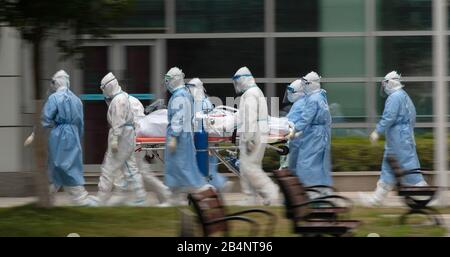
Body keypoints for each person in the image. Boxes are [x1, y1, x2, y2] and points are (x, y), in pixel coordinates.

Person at [360, 71, 427, 207]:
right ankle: (377, 199)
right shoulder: (404, 95)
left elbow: (388, 117)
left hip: (398, 139)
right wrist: (407, 131)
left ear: (390, 83)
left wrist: (377, 131)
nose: (384, 87)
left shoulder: (394, 97)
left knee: (408, 165)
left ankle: (425, 195)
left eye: (385, 84)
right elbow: (412, 115)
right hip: (402, 137)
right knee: (389, 165)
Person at [39, 70, 96, 206]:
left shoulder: (54, 98)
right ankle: (70, 197)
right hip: (73, 135)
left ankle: (76, 198)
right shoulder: (77, 100)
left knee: (57, 165)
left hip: (59, 135)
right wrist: (78, 137)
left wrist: (36, 132)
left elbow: (45, 118)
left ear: (56, 82)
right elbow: (80, 123)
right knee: (70, 165)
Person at [96, 72, 147, 206]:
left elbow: (118, 121)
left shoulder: (118, 100)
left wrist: (115, 139)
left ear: (109, 86)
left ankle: (101, 198)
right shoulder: (122, 97)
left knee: (109, 167)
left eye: (103, 88)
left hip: (121, 136)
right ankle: (140, 197)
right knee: (130, 167)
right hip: (126, 135)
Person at [112, 95, 172, 206]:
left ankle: (140, 196)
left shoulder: (122, 102)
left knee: (137, 170)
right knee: (143, 171)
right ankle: (163, 194)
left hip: (134, 139)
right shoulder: (130, 101)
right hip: (136, 137)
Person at [232, 66, 278, 205]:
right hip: (258, 131)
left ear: (243, 79)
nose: (237, 84)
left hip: (254, 133)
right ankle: (250, 197)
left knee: (249, 167)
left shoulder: (250, 94)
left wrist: (249, 138)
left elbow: (250, 118)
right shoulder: (255, 91)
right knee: (248, 167)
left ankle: (271, 192)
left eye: (238, 81)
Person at [163, 68, 209, 204]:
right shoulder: (184, 94)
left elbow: (178, 118)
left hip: (180, 138)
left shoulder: (179, 96)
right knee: (179, 170)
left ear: (175, 79)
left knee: (183, 169)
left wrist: (173, 137)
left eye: (168, 80)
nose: (166, 83)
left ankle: (204, 193)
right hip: (183, 136)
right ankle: (175, 199)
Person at [288, 71, 332, 194]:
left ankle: (311, 194)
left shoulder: (313, 99)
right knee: (319, 164)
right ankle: (323, 193)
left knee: (306, 163)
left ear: (311, 84)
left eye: (306, 83)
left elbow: (306, 118)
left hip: (314, 134)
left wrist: (295, 130)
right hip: (319, 133)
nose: (304, 86)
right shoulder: (320, 95)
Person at [186, 78, 234, 193]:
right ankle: (219, 184)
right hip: (209, 137)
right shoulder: (204, 100)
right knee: (210, 165)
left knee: (206, 166)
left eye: (190, 88)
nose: (189, 90)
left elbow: (197, 121)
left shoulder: (199, 102)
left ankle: (219, 184)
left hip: (204, 139)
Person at [285, 79, 307, 174]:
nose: (289, 95)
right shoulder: (301, 102)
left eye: (291, 93)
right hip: (299, 138)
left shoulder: (300, 104)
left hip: (297, 139)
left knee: (295, 167)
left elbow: (289, 121)